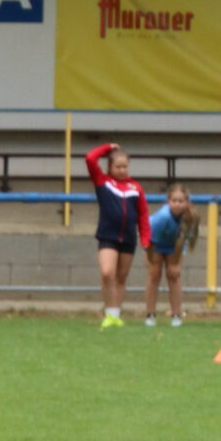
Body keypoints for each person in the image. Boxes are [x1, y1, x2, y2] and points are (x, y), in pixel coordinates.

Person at [85, 140, 150, 328]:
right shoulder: (103, 182)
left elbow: (143, 214)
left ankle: (115, 314)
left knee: (121, 277)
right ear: (110, 167)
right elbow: (90, 158)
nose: (122, 170)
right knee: (107, 273)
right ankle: (108, 312)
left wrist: (145, 238)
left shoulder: (135, 188)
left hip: (128, 238)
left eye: (125, 167)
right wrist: (107, 148)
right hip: (108, 236)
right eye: (118, 167)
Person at [143, 183, 196, 328]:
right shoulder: (163, 217)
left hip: (173, 244)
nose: (177, 204)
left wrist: (177, 263)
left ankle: (176, 315)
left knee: (174, 276)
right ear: (168, 201)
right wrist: (150, 260)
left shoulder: (190, 217)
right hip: (154, 243)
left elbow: (185, 239)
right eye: (174, 201)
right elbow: (151, 242)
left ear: (187, 202)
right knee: (154, 275)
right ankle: (150, 315)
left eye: (181, 201)